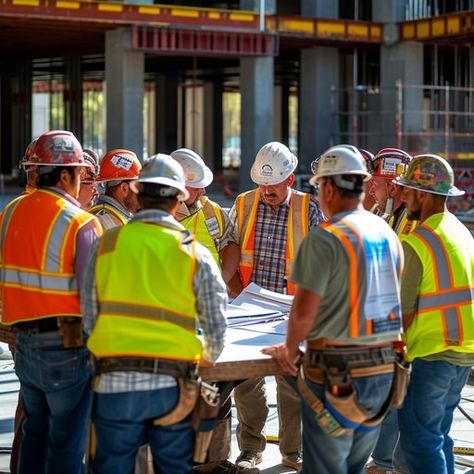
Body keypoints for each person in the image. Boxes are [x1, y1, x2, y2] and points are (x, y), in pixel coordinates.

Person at [81, 153, 228, 474]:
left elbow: (89, 320)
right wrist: (200, 358)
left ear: (137, 193)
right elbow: (217, 330)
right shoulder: (194, 252)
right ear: (179, 198)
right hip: (173, 387)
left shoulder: (106, 245)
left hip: (113, 383)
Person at [264, 144, 405, 474]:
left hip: (337, 374)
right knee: (352, 467)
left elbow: (303, 312)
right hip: (383, 372)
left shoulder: (325, 237)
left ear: (328, 187)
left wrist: (288, 349)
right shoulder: (386, 232)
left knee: (326, 468)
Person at [0, 130, 103, 474]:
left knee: (35, 433)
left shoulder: (10, 212)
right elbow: (94, 297)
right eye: (79, 173)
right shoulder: (81, 223)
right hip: (68, 348)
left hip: (22, 344)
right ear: (64, 175)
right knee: (66, 444)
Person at [225, 141, 324, 471]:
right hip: (247, 307)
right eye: (262, 184)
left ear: (290, 180)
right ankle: (251, 448)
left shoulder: (308, 208)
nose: (266, 190)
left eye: (273, 185)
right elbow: (232, 251)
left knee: (291, 380)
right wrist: (238, 298)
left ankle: (292, 451)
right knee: (246, 383)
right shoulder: (242, 204)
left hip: (290, 311)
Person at [392, 154, 474, 474]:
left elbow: (404, 313)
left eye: (407, 191)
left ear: (423, 195)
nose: (402, 196)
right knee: (438, 434)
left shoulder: (419, 241)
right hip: (463, 350)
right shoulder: (459, 231)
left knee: (419, 439)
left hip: (432, 352)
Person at [170, 148, 242, 473]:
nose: (201, 192)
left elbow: (231, 246)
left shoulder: (212, 212)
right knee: (184, 398)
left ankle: (216, 461)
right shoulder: (160, 215)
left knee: (217, 392)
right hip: (175, 320)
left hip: (210, 311)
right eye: (195, 187)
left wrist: (222, 279)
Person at [365, 147, 416, 474]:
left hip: (406, 326)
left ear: (394, 188)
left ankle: (384, 463)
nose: (372, 188)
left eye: (378, 184)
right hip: (396, 323)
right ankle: (383, 462)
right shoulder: (392, 217)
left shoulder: (409, 224)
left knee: (399, 398)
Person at [88, 148, 141, 229]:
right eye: (137, 187)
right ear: (124, 188)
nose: (140, 193)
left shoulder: (116, 217)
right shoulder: (106, 221)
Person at [370, 148, 416, 234]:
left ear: (392, 189)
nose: (371, 191)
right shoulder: (395, 216)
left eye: (375, 184)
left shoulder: (410, 222)